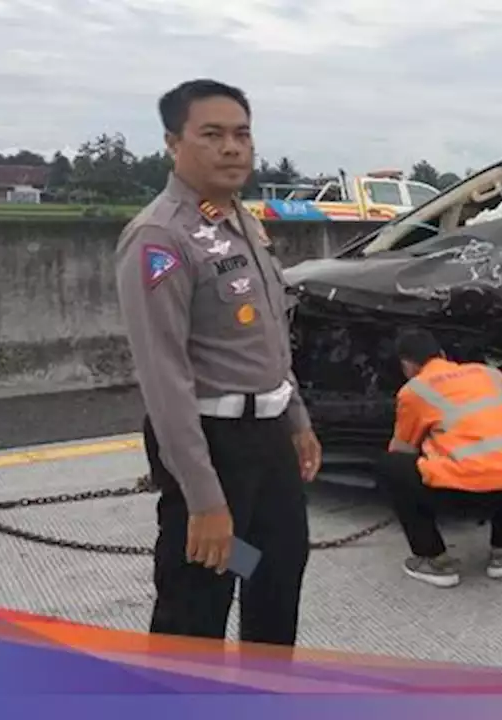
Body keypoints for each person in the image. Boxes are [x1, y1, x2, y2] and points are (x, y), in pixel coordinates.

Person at [114, 79, 322, 647]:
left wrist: (296, 419)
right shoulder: (162, 237)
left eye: (241, 134)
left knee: (275, 578)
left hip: (268, 440)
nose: (232, 147)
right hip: (209, 445)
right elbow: (165, 379)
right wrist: (204, 501)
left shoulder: (240, 224)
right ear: (173, 143)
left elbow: (272, 335)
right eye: (212, 134)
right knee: (198, 600)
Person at [376, 328, 502, 588]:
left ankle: (435, 560)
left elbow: (401, 451)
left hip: (465, 495)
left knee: (391, 467)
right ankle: (501, 551)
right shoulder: (492, 374)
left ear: (407, 365)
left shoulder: (414, 391)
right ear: (443, 354)